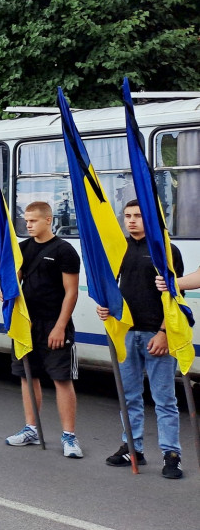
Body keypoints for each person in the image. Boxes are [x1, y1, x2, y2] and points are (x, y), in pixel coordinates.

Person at [98, 200, 184, 479]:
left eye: (137, 216)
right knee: (129, 396)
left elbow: (174, 298)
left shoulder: (166, 250)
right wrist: (106, 307)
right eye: (127, 216)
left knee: (164, 400)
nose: (132, 221)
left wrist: (164, 333)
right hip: (126, 333)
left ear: (149, 218)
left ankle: (172, 455)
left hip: (155, 335)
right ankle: (132, 448)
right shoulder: (119, 248)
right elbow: (113, 286)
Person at [5, 201, 84, 458]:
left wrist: (60, 326)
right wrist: (7, 292)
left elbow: (71, 292)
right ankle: (31, 428)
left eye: (33, 221)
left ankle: (69, 436)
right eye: (26, 220)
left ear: (48, 220)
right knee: (28, 377)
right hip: (27, 325)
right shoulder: (23, 248)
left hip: (54, 324)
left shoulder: (64, 250)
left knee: (62, 379)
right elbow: (14, 282)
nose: (28, 225)